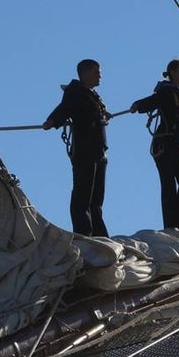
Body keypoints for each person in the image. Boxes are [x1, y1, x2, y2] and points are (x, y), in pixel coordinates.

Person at [43, 59, 111, 237]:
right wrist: (52, 121)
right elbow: (65, 108)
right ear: (86, 73)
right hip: (85, 151)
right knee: (83, 195)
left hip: (98, 151)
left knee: (96, 199)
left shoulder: (92, 95)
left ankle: (100, 235)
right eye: (97, 72)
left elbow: (93, 113)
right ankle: (83, 233)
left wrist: (104, 115)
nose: (100, 75)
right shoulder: (75, 91)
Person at [130, 58, 179, 229]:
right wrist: (138, 105)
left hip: (174, 145)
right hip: (165, 144)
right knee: (169, 184)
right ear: (173, 72)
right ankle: (173, 225)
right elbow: (154, 100)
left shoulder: (177, 92)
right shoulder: (166, 91)